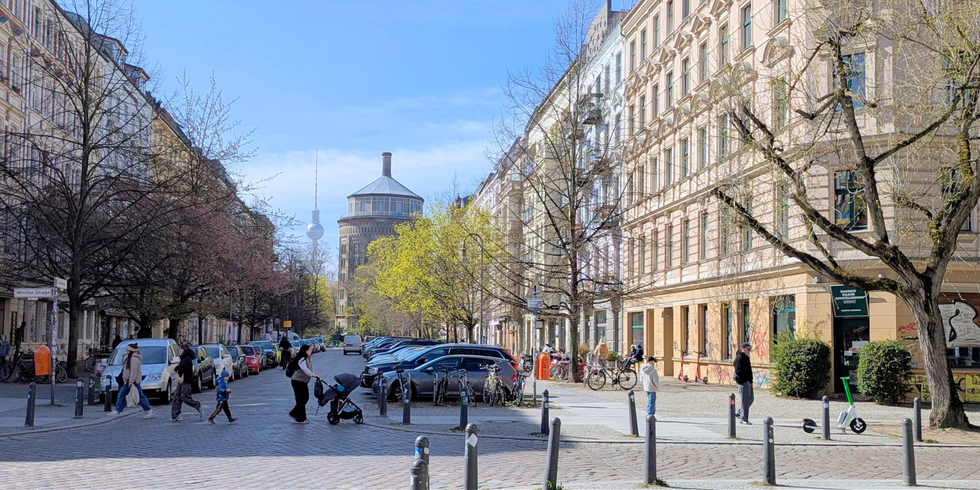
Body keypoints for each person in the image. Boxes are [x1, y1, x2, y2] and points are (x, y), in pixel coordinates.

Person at [108, 343, 154, 418]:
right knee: (122, 395)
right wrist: (123, 358)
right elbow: (125, 367)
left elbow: (133, 371)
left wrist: (131, 381)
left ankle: (148, 409)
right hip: (128, 381)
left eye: (127, 350)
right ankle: (118, 410)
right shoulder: (129, 357)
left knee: (138, 396)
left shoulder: (134, 359)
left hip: (132, 381)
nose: (126, 351)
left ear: (130, 350)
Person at [171, 344, 202, 422]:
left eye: (181, 349)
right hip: (182, 381)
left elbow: (182, 368)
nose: (180, 351)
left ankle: (197, 405)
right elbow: (180, 366)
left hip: (186, 381)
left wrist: (178, 368)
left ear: (184, 349)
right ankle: (176, 415)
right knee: (176, 398)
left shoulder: (187, 358)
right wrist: (177, 367)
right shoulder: (184, 358)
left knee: (185, 397)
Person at [288, 344, 318, 424]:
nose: (311, 351)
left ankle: (299, 417)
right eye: (310, 350)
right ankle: (297, 416)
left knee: (304, 399)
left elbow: (310, 369)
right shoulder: (302, 359)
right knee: (301, 400)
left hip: (303, 382)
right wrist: (311, 374)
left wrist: (314, 374)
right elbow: (304, 368)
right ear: (305, 351)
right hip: (297, 381)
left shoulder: (308, 358)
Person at [733, 342, 754, 425]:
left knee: (751, 399)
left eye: (750, 349)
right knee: (744, 400)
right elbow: (738, 371)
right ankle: (743, 419)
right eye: (748, 349)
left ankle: (739, 413)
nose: (749, 350)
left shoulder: (746, 357)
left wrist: (750, 380)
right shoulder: (739, 358)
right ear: (743, 348)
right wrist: (743, 380)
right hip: (743, 382)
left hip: (748, 381)